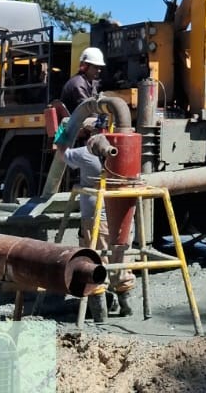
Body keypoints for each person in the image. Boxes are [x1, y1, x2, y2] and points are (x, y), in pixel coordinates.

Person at [62, 118, 135, 315]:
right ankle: (126, 305)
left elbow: (63, 154)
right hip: (125, 217)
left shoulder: (86, 152)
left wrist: (63, 132)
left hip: (96, 219)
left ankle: (99, 312)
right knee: (122, 257)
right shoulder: (127, 149)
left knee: (96, 260)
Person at [60, 46, 105, 115]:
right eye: (96, 67)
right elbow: (88, 109)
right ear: (85, 66)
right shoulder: (78, 84)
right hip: (74, 123)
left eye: (100, 67)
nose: (99, 70)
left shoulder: (88, 82)